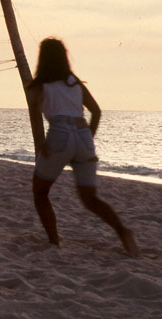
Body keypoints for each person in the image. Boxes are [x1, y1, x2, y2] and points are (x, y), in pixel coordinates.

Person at [26, 37, 139, 257]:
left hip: (59, 135)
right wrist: (89, 139)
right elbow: (96, 111)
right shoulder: (74, 82)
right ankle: (123, 231)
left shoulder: (38, 85)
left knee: (40, 192)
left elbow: (36, 119)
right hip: (83, 136)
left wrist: (41, 146)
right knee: (90, 199)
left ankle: (54, 242)